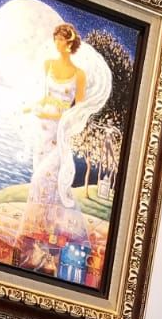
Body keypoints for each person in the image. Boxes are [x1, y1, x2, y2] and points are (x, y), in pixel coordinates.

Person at [19, 23, 110, 269]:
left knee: (45, 180)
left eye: (61, 40)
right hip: (42, 129)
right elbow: (43, 94)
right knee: (42, 185)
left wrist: (62, 117)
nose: (57, 43)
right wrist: (33, 107)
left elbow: (78, 109)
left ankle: (51, 244)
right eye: (55, 39)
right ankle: (37, 247)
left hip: (59, 132)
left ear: (70, 43)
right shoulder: (48, 65)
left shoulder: (79, 75)